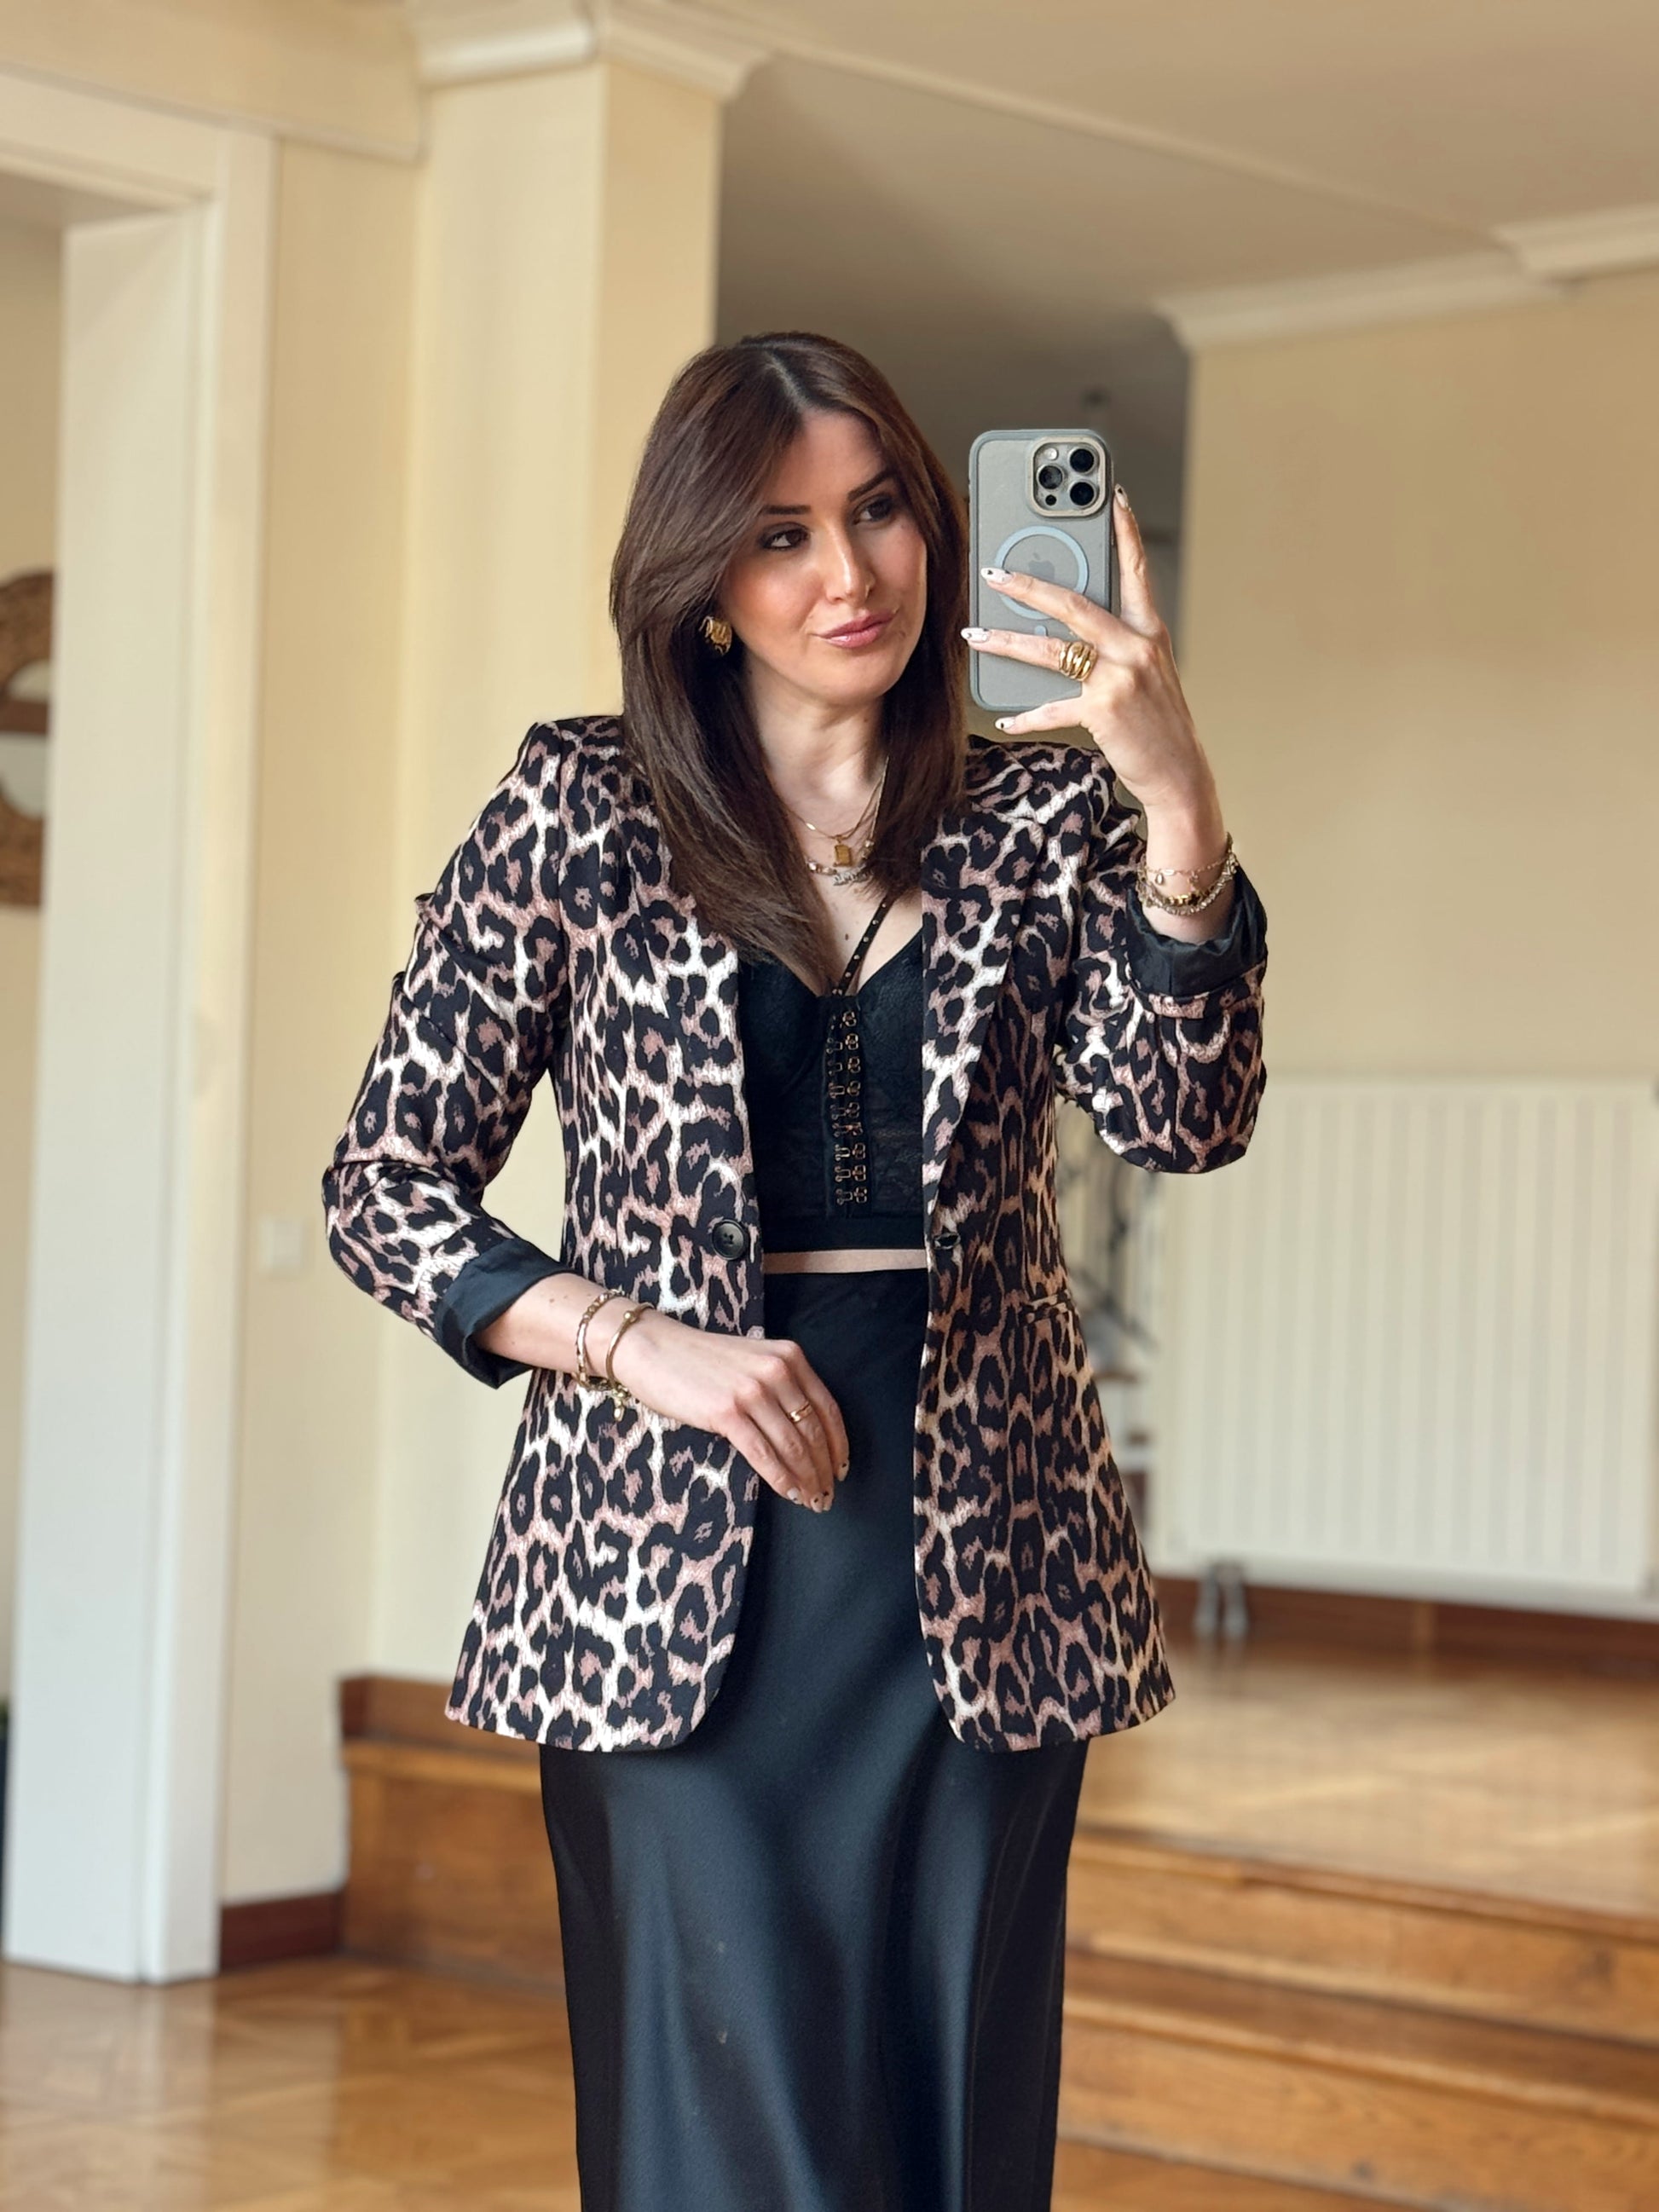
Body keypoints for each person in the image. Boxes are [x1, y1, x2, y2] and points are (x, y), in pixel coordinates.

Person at [322, 330, 1266, 2212]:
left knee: (945, 2135)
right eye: (779, 533)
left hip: (985, 1567)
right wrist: (636, 1343)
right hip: (663, 1569)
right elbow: (385, 1183)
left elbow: (1184, 1117)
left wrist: (1176, 807)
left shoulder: (1044, 815)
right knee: (724, 2140)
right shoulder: (577, 808)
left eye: (880, 510)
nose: (849, 573)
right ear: (702, 585)